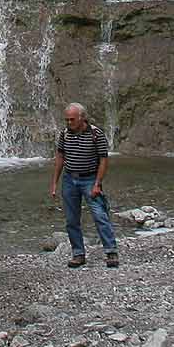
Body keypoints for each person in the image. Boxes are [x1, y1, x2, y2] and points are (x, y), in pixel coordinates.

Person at [49, 102, 118, 268]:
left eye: (72, 119)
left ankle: (111, 251)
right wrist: (54, 183)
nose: (69, 123)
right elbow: (60, 157)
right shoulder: (65, 134)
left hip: (89, 179)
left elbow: (103, 159)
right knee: (71, 220)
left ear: (82, 118)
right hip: (69, 179)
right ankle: (78, 254)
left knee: (100, 215)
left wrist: (97, 184)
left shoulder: (96, 134)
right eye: (66, 120)